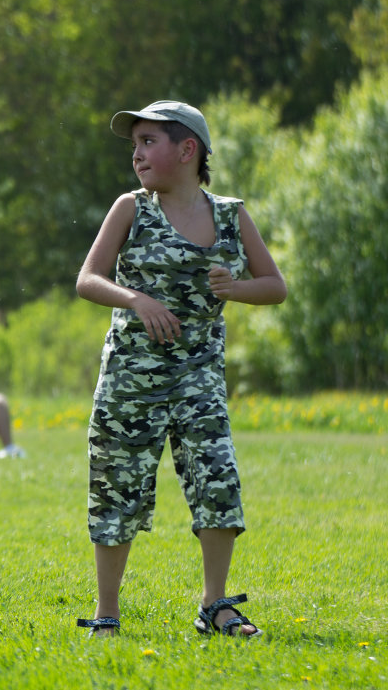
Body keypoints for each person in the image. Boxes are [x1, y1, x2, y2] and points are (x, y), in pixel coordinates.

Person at [74, 100, 286, 639]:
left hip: (199, 380)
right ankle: (107, 613)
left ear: (187, 149)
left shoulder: (231, 215)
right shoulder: (131, 208)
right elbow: (88, 279)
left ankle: (215, 606)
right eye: (135, 146)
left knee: (217, 481)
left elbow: (275, 286)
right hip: (130, 378)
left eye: (149, 142)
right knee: (116, 487)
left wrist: (235, 289)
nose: (138, 155)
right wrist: (136, 300)